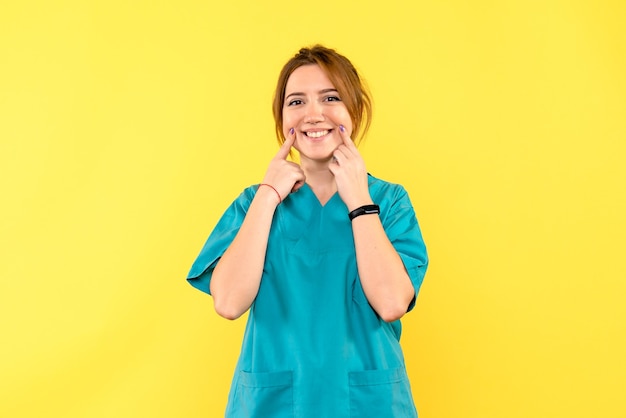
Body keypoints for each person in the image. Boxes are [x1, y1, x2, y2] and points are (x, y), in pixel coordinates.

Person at [187, 45, 429, 418]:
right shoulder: (254, 204)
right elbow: (229, 303)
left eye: (330, 98)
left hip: (367, 405)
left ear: (354, 110)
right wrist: (268, 195)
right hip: (274, 405)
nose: (313, 114)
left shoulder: (389, 201)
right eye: (296, 102)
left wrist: (359, 200)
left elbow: (392, 302)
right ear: (282, 118)